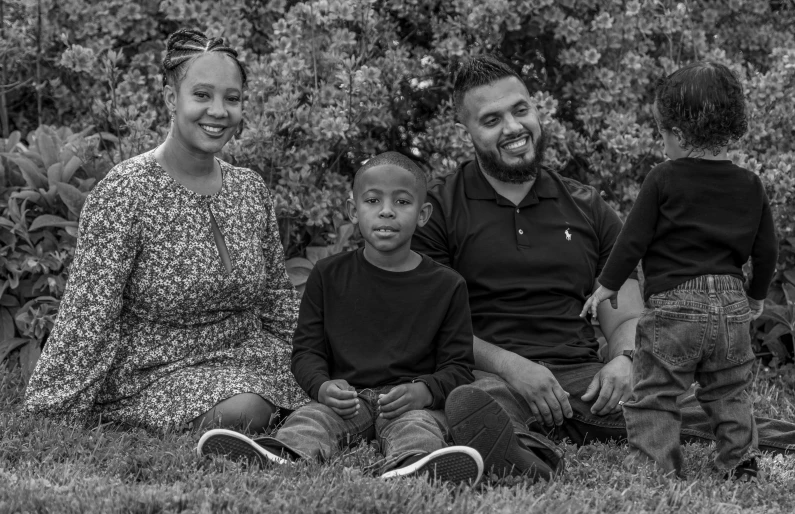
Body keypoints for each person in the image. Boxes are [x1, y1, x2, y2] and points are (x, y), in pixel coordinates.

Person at [412, 54, 795, 477]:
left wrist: (625, 360)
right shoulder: (438, 208)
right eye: (492, 119)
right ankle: (527, 458)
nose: (514, 128)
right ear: (464, 129)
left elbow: (626, 310)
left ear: (536, 109)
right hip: (492, 376)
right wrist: (512, 367)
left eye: (521, 110)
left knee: (684, 404)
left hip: (585, 380)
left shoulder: (586, 204)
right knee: (476, 402)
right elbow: (429, 321)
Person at [24, 29, 308, 432]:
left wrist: (310, 357)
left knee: (345, 375)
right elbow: (88, 312)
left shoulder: (249, 188)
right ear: (170, 98)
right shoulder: (126, 190)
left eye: (232, 98)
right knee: (245, 410)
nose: (218, 111)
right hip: (156, 369)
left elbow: (277, 298)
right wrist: (54, 410)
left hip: (247, 352)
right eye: (202, 95)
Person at [197, 152, 486, 485]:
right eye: (373, 200)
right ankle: (280, 455)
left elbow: (459, 366)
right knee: (312, 419)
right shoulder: (328, 275)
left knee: (418, 427)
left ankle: (416, 466)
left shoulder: (447, 285)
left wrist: (424, 390)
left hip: (408, 402)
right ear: (353, 211)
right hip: (348, 401)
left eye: (402, 202)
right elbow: (306, 352)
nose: (387, 211)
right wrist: (322, 386)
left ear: (422, 215)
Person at [580, 62, 776, 479]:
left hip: (675, 307)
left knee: (656, 391)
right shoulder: (751, 184)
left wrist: (605, 287)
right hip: (730, 305)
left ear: (680, 135)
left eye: (662, 132)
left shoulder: (662, 178)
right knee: (729, 389)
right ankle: (738, 463)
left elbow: (631, 240)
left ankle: (657, 468)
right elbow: (766, 250)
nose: (661, 142)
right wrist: (756, 295)